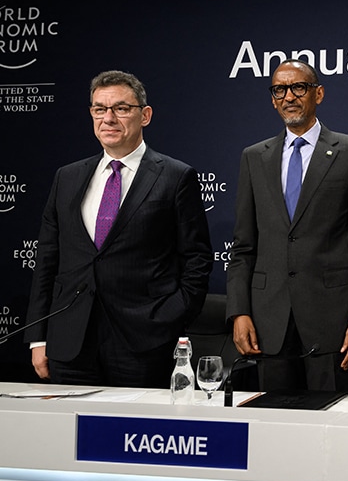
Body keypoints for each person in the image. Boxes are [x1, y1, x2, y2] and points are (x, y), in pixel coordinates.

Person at [25, 70, 213, 387]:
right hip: (69, 342)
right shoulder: (67, 177)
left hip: (143, 342)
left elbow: (197, 258)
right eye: (100, 109)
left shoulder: (175, 176)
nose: (108, 118)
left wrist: (169, 320)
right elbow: (47, 259)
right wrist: (37, 337)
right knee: (68, 435)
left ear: (145, 115)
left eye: (121, 108)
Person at [226, 60, 348, 393]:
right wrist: (239, 312)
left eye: (299, 87)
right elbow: (242, 247)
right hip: (269, 322)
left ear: (319, 94)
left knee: (332, 426)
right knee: (274, 429)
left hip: (334, 324)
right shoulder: (254, 157)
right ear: (272, 99)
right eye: (279, 89)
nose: (289, 96)